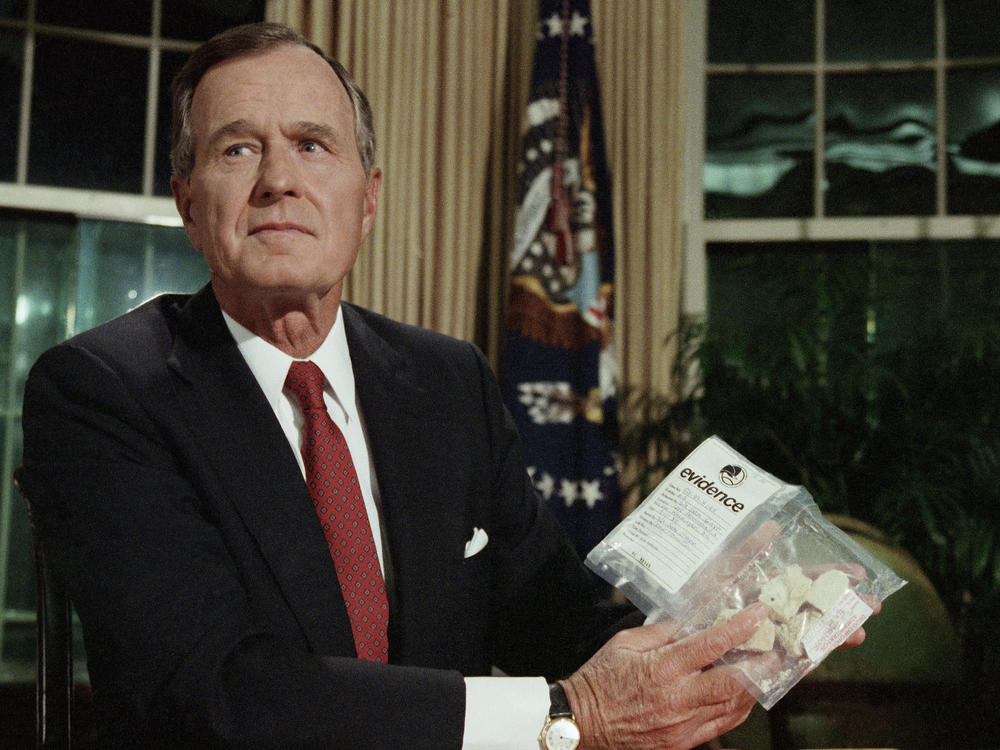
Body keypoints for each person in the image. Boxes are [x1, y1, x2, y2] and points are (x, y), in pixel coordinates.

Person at [20, 22, 866, 749]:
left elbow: (554, 615)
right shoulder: (103, 391)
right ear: (188, 202)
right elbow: (213, 693)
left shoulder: (444, 380)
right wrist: (566, 715)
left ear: (368, 200)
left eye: (313, 145)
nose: (279, 178)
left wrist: (727, 632)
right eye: (239, 148)